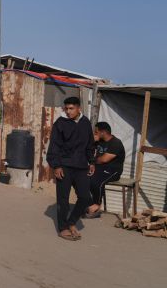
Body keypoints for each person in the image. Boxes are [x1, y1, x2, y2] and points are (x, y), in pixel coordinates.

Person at [46, 96, 95, 241]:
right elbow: (54, 146)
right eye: (66, 108)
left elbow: (90, 144)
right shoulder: (60, 123)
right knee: (63, 199)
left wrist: (92, 162)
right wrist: (56, 166)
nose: (68, 111)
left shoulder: (85, 123)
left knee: (85, 197)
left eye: (71, 108)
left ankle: (72, 222)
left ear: (79, 108)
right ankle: (63, 228)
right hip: (64, 166)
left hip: (81, 166)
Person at [85, 122, 125, 217]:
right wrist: (92, 142)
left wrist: (93, 162)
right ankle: (90, 203)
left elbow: (104, 159)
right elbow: (88, 151)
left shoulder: (116, 143)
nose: (94, 134)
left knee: (96, 181)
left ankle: (97, 205)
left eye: (96, 132)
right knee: (82, 178)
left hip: (113, 170)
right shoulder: (99, 141)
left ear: (103, 132)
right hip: (100, 167)